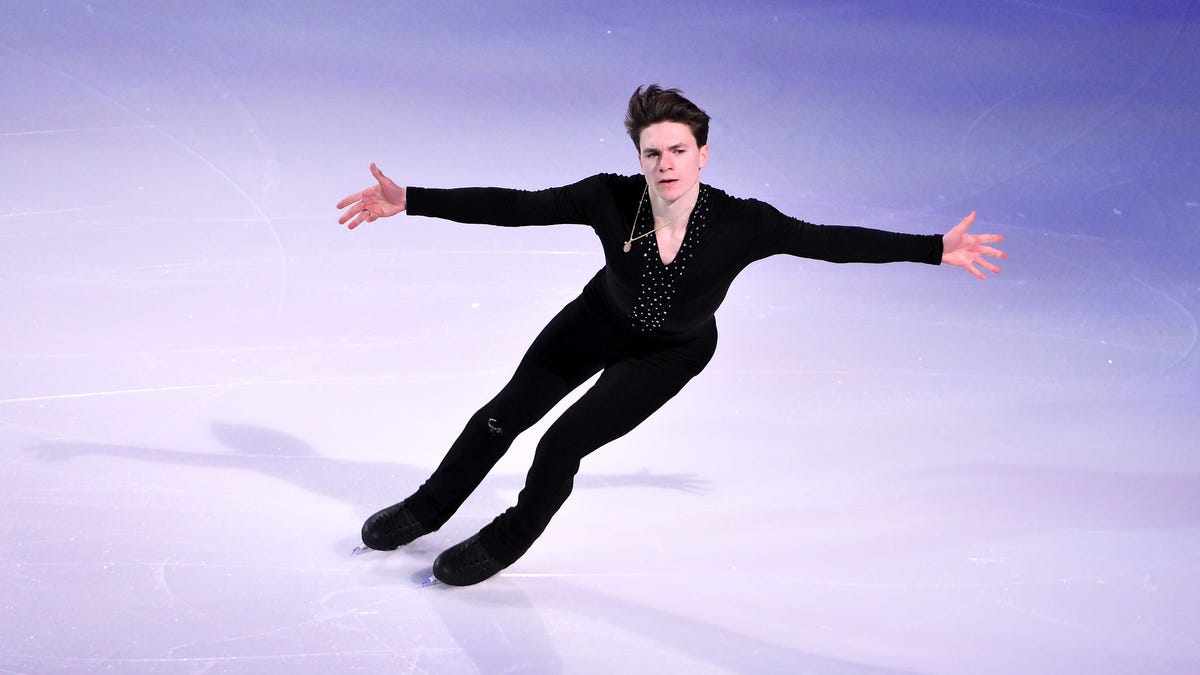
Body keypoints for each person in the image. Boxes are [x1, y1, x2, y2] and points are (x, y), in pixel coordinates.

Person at [336, 85, 1005, 586]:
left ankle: (507, 538)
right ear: (639, 157)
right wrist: (413, 198)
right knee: (500, 415)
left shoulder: (744, 223)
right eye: (652, 151)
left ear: (702, 153)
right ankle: (427, 508)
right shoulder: (607, 197)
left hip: (669, 353)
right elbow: (516, 206)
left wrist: (933, 248)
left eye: (678, 149)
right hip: (594, 320)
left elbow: (828, 241)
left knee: (560, 444)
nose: (664, 162)